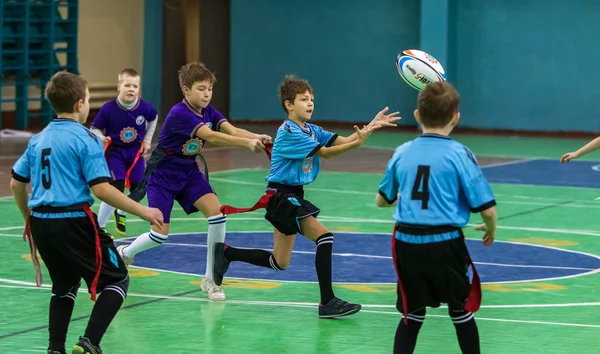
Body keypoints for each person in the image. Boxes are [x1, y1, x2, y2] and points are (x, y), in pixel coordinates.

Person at [213, 75, 400, 318]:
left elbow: (342, 140)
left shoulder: (311, 129)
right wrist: (358, 143)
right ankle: (327, 302)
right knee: (324, 237)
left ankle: (226, 253)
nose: (310, 103)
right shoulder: (290, 131)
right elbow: (327, 153)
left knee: (279, 262)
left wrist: (369, 128)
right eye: (304, 99)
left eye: (312, 99)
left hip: (290, 196)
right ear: (289, 105)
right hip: (282, 197)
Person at [10, 71, 164, 354]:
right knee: (117, 279)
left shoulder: (38, 139)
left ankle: (55, 349)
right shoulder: (85, 139)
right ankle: (89, 342)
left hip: (42, 223)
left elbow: (16, 183)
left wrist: (28, 219)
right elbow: (102, 190)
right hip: (73, 220)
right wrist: (143, 210)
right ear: (81, 104)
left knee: (64, 284)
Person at [116, 62, 272, 302]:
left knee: (218, 215)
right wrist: (246, 144)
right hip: (163, 176)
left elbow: (230, 129)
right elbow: (211, 136)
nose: (207, 94)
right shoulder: (180, 113)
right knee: (159, 235)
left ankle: (211, 278)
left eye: (209, 89)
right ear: (186, 90)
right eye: (201, 89)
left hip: (189, 172)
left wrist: (255, 136)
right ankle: (125, 253)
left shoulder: (209, 112)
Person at [375, 81, 497, 354]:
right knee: (461, 312)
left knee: (411, 315)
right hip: (446, 244)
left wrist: (399, 198)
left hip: (407, 244)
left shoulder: (402, 152)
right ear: (456, 117)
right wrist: (491, 229)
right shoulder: (460, 154)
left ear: (417, 115)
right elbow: (487, 209)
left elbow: (382, 199)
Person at [91, 68, 159, 236]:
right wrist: (101, 137)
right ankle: (100, 226)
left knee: (139, 188)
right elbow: (94, 128)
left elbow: (154, 118)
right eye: (127, 85)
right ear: (118, 87)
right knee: (116, 189)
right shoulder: (108, 109)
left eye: (135, 86)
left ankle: (121, 211)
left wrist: (148, 140)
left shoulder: (144, 108)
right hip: (115, 153)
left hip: (135, 154)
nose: (131, 89)